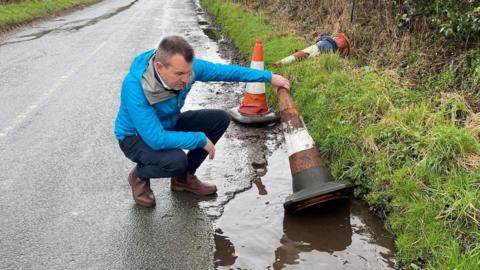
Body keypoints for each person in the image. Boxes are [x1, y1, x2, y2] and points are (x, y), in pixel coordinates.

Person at [114, 36, 290, 207]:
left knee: (219, 119)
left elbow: (226, 72)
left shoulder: (188, 70)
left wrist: (268, 77)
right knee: (176, 161)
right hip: (135, 137)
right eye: (179, 74)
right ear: (160, 67)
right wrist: (199, 139)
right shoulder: (135, 86)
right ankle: (139, 175)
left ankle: (183, 179)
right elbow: (156, 138)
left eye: (188, 73)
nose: (186, 79)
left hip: (169, 123)